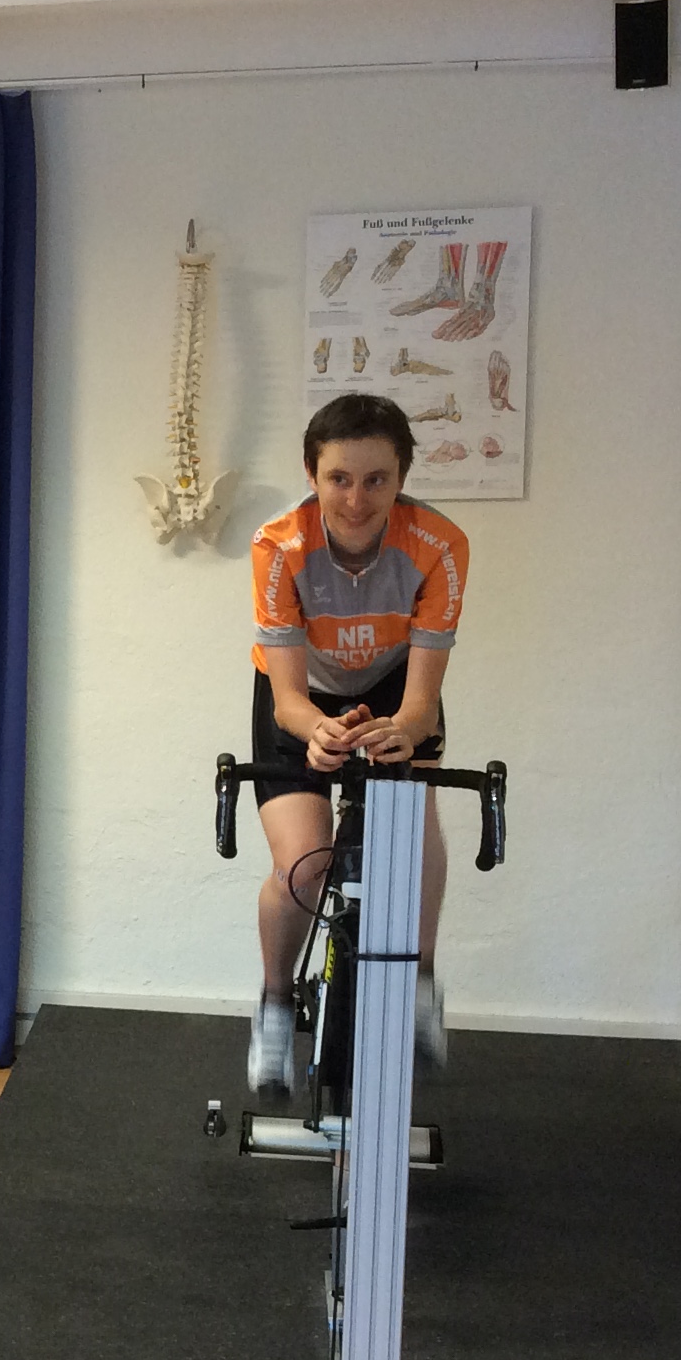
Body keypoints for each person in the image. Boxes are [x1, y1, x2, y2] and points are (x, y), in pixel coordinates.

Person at [246, 392, 469, 1101]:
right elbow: (287, 701)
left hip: (395, 687)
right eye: (339, 478)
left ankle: (420, 982)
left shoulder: (439, 544)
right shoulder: (278, 546)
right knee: (302, 865)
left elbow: (421, 703)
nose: (356, 499)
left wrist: (404, 730)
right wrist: (316, 732)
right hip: (300, 694)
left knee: (414, 829)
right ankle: (275, 1002)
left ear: (402, 477)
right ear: (311, 475)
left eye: (377, 480)